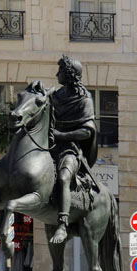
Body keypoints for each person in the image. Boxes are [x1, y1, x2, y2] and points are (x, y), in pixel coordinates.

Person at [49, 55, 98, 244]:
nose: (57, 74)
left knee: (62, 178)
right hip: (50, 145)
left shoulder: (84, 99)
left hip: (70, 149)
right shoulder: (56, 95)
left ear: (69, 74)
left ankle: (62, 224)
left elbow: (87, 131)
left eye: (60, 70)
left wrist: (61, 135)